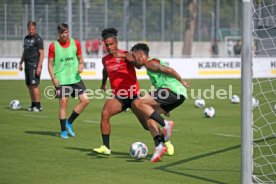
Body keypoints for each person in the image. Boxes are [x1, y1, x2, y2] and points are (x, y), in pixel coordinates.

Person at [130, 43, 189, 162]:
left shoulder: (149, 63)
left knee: (138, 103)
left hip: (171, 92)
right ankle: (159, 146)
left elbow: (169, 70)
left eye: (134, 56)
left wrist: (182, 81)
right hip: (175, 95)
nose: (134, 60)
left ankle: (165, 124)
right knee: (150, 118)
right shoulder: (151, 64)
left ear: (141, 54)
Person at [48, 23, 90, 139]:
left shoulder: (75, 43)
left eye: (65, 32)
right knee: (63, 104)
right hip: (62, 80)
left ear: (68, 32)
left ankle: (69, 122)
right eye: (61, 33)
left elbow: (80, 59)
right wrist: (53, 78)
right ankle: (63, 131)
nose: (64, 35)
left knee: (85, 100)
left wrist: (81, 65)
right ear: (58, 33)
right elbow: (50, 64)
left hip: (75, 78)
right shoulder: (53, 46)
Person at [19, 21, 44, 112]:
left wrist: (39, 66)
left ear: (35, 29)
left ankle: (38, 106)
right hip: (27, 65)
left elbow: (41, 54)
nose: (31, 31)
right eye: (29, 29)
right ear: (27, 29)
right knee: (29, 85)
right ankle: (33, 104)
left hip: (34, 65)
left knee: (34, 85)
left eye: (32, 29)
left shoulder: (38, 39)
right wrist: (21, 62)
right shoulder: (26, 38)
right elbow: (25, 51)